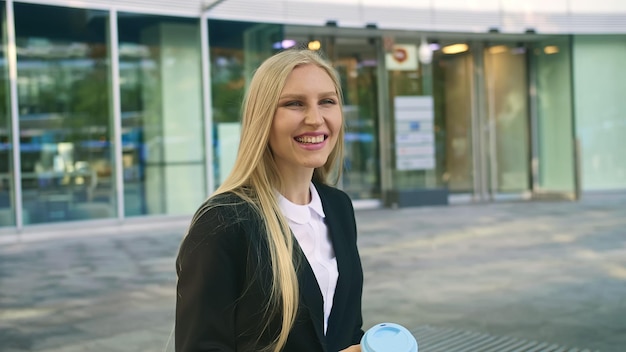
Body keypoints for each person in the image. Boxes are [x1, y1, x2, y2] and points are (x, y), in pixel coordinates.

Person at [175, 49, 364, 352]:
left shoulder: (338, 207)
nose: (315, 119)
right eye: (294, 103)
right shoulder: (223, 222)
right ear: (262, 118)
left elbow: (346, 330)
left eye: (327, 101)